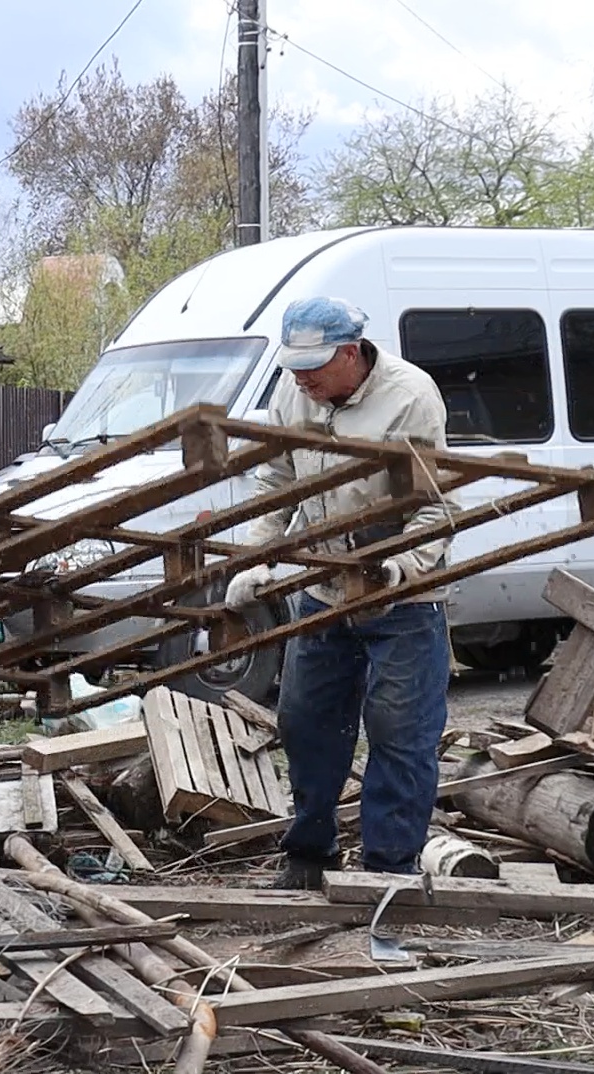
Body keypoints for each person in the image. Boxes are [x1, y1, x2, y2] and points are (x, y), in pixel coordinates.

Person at [224, 297, 458, 889]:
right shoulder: (293, 393)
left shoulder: (410, 395)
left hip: (401, 599)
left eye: (316, 367)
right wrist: (258, 555)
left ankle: (388, 872)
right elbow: (277, 479)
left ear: (351, 353)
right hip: (324, 586)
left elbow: (436, 504)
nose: (303, 379)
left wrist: (402, 567)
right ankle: (310, 854)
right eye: (295, 367)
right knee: (305, 721)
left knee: (398, 732)